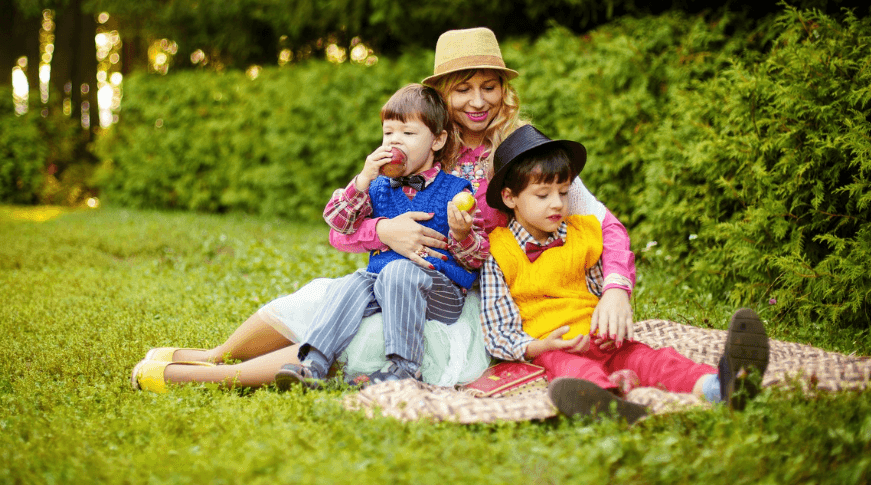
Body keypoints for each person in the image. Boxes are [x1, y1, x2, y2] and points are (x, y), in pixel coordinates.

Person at [130, 27, 636, 392]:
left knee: (363, 333)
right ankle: (214, 354)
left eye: (490, 86)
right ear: (440, 94)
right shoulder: (414, 144)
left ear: (505, 90)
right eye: (462, 88)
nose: (478, 101)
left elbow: (601, 224)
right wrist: (385, 230)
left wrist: (616, 289)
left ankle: (213, 376)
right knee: (322, 300)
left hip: (470, 296)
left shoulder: (523, 151)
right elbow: (343, 230)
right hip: (393, 269)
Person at [479, 124, 771, 423]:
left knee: (656, 359)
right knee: (576, 372)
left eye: (564, 192)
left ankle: (721, 387)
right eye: (543, 195)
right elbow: (500, 332)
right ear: (510, 197)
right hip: (555, 347)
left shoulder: (583, 233)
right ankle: (608, 404)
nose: (557, 203)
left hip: (602, 340)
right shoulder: (498, 252)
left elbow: (598, 292)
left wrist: (610, 329)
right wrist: (543, 345)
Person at [273, 83, 488, 390]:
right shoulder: (376, 187)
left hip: (440, 291)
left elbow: (477, 257)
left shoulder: (456, 191)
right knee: (352, 281)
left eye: (408, 134)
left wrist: (462, 233)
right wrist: (362, 180)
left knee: (399, 271)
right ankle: (314, 364)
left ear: (437, 140)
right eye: (388, 133)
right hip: (383, 283)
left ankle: (405, 368)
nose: (394, 142)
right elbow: (338, 223)